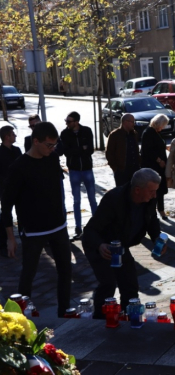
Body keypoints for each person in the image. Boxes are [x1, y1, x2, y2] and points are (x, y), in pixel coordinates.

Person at [2, 122, 71, 317]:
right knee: (28, 274)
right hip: (33, 230)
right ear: (35, 141)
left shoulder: (52, 158)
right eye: (49, 145)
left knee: (65, 271)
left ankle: (64, 312)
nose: (52, 149)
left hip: (59, 226)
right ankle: (21, 318)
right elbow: (6, 205)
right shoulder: (19, 167)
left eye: (54, 145)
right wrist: (11, 237)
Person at [82, 168, 167, 319]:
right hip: (101, 245)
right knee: (108, 284)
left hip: (120, 245)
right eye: (151, 191)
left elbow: (152, 219)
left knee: (130, 284)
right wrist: (100, 245)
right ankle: (100, 322)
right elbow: (89, 231)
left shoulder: (149, 198)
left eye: (156, 191)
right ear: (137, 190)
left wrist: (157, 238)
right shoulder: (113, 199)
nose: (155, 195)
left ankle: (129, 318)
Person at [60, 111, 98, 240]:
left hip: (87, 169)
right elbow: (67, 152)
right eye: (66, 121)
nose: (67, 123)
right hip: (74, 170)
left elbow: (91, 149)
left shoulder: (86, 131)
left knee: (92, 199)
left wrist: (79, 150)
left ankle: (97, 226)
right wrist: (82, 149)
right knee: (76, 200)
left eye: (69, 121)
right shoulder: (65, 134)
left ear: (76, 122)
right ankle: (78, 227)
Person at [140, 114, 169, 219]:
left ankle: (161, 210)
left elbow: (158, 145)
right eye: (163, 125)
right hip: (152, 166)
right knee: (154, 190)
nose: (164, 127)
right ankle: (152, 211)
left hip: (159, 167)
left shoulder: (157, 132)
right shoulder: (148, 132)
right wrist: (159, 160)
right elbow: (148, 150)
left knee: (160, 189)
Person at [0, 126, 22, 257]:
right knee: (6, 214)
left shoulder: (17, 150)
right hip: (5, 188)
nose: (15, 136)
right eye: (13, 134)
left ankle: (25, 236)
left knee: (22, 212)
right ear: (7, 137)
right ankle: (4, 242)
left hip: (19, 188)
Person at [106, 114, 141, 187]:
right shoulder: (115, 135)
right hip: (122, 171)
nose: (133, 124)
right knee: (122, 193)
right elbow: (109, 153)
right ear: (125, 122)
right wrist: (115, 168)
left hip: (135, 170)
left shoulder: (134, 134)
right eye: (132, 122)